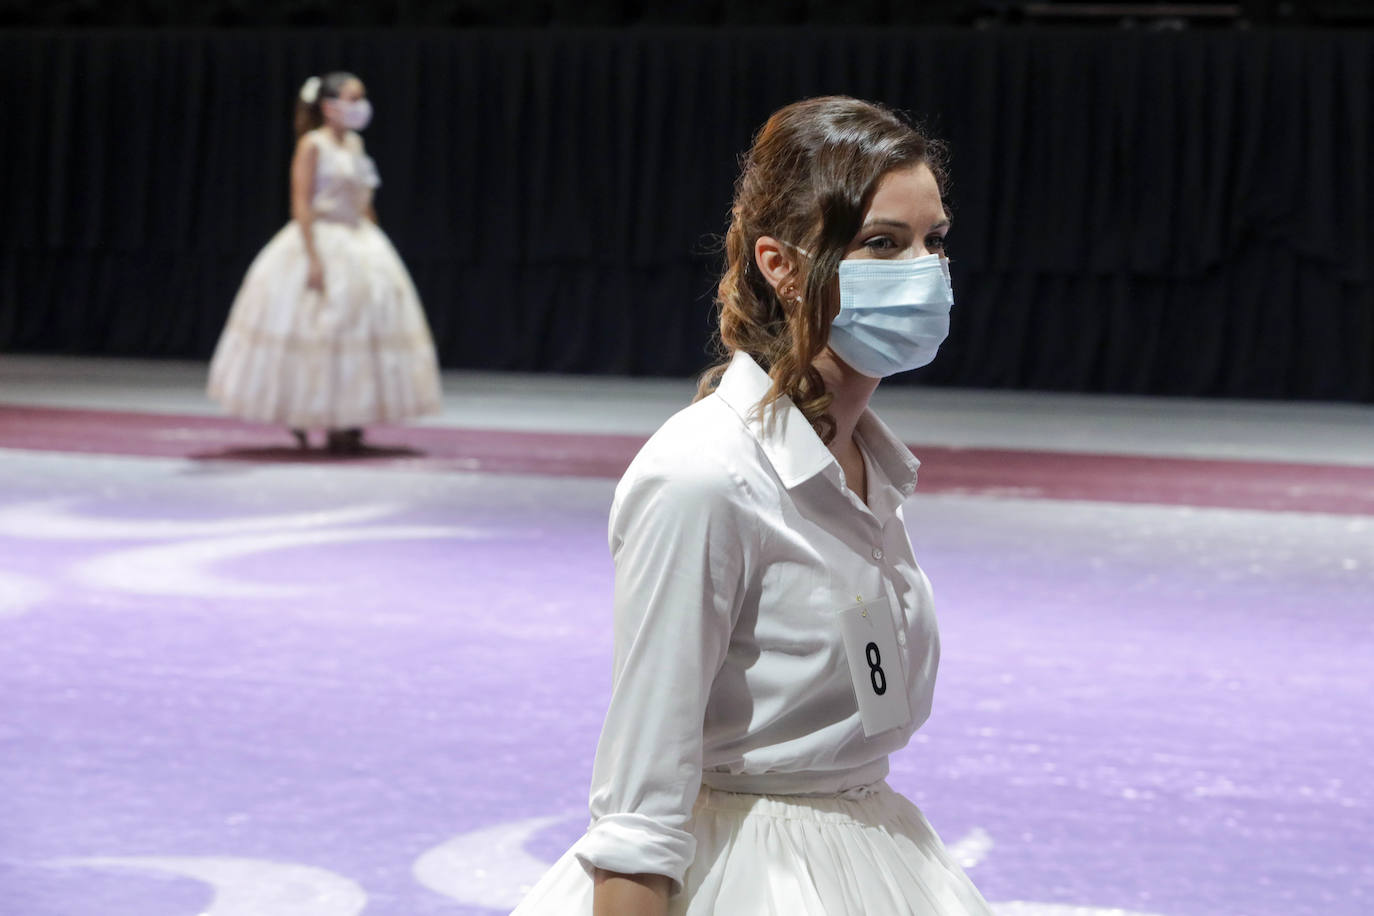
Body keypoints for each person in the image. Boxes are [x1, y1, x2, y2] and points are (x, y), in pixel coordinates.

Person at [511, 96, 993, 915]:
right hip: (745, 876)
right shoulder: (704, 477)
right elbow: (640, 802)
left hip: (866, 848)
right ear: (781, 264)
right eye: (883, 243)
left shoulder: (866, 465)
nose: (923, 269)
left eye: (933, 241)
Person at [207, 72, 441, 453]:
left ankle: (347, 419)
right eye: (352, 98)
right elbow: (300, 201)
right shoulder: (312, 145)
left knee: (359, 328)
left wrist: (375, 239)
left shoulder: (355, 143)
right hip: (321, 236)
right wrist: (313, 256)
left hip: (357, 238)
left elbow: (363, 195)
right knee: (317, 327)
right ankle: (306, 411)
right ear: (329, 105)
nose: (360, 106)